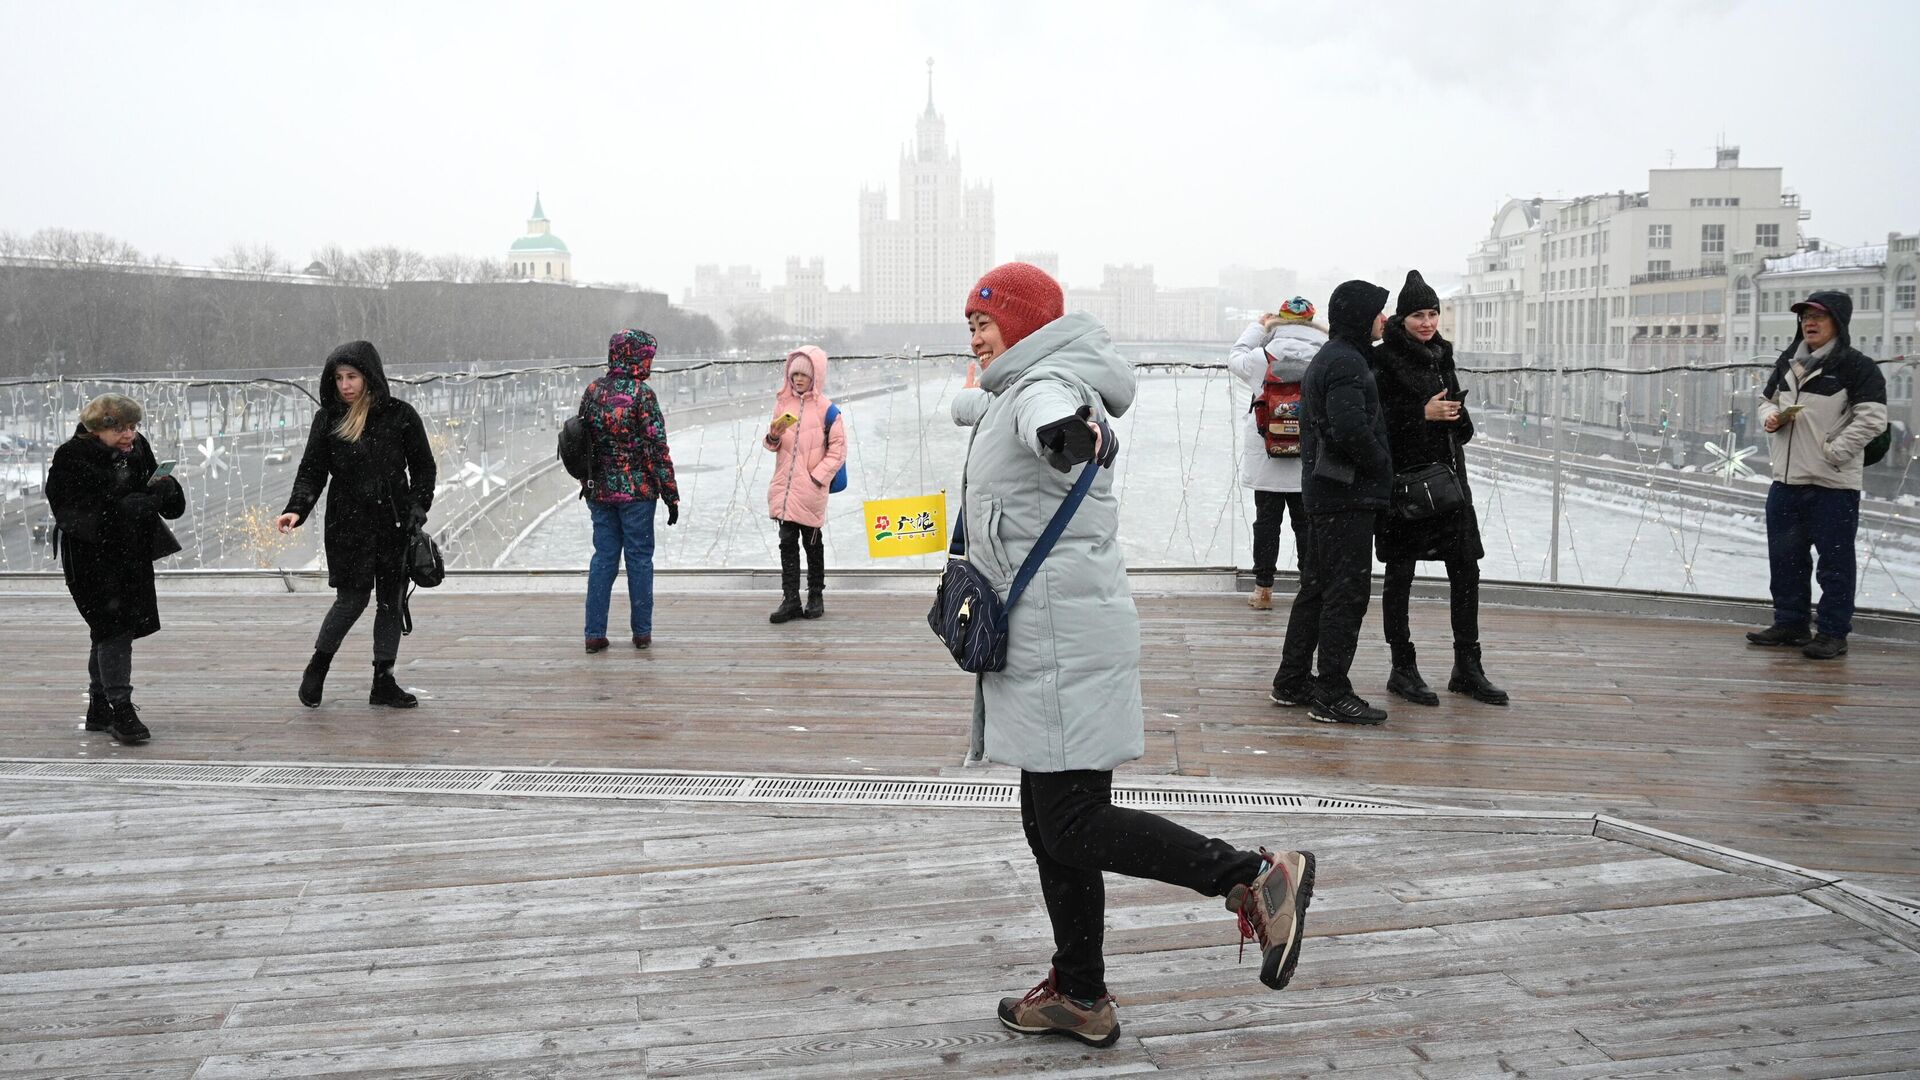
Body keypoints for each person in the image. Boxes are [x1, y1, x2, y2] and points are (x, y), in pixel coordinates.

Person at [953, 262, 1316, 1050]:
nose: (974, 335)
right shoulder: (1017, 385)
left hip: (1061, 639)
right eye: (970, 323)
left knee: (1072, 824)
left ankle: (1249, 876)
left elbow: (1052, 422)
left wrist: (1067, 437)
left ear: (1024, 324)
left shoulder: (1048, 389)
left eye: (984, 321)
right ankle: (1081, 993)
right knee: (1049, 825)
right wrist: (983, 395)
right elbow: (993, 406)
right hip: (1053, 637)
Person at [1371, 271, 1507, 706]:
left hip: (1449, 483)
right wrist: (1420, 414)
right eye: (1418, 315)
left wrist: (1456, 416)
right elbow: (1375, 426)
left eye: (1432, 314)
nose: (1427, 322)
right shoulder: (1382, 360)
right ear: (1401, 318)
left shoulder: (1440, 354)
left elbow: (1459, 431)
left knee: (1466, 569)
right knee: (1400, 574)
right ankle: (1402, 667)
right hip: (1407, 485)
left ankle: (1467, 666)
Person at [275, 341, 436, 707]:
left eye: (352, 376)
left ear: (369, 377)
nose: (345, 385)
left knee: (391, 603)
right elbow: (312, 472)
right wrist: (296, 509)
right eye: (339, 378)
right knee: (351, 601)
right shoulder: (329, 419)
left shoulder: (401, 415)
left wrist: (416, 509)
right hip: (348, 525)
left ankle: (383, 681)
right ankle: (317, 667)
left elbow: (424, 468)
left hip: (394, 523)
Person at [1271, 279, 1394, 725]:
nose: (1385, 319)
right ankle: (1331, 691)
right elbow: (1348, 430)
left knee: (1318, 588)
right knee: (1346, 593)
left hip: (1326, 493)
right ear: (1362, 317)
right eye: (1380, 311)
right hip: (1345, 495)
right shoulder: (1345, 362)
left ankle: (1292, 680)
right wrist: (1383, 465)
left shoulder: (1338, 355)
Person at [1747, 291, 1888, 659]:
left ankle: (1832, 632)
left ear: (1838, 323)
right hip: (1787, 481)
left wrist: (1834, 452)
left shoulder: (1857, 367)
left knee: (1834, 563)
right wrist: (1770, 418)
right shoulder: (1788, 362)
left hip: (1832, 486)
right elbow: (1765, 401)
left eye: (1818, 317)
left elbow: (1872, 419)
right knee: (1786, 558)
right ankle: (1790, 623)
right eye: (1805, 317)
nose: (1809, 323)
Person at [45, 393, 186, 745]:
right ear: (96, 430)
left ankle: (99, 707)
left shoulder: (137, 449)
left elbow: (165, 502)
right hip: (90, 558)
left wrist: (164, 490)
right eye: (120, 428)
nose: (130, 435)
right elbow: (70, 512)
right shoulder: (71, 458)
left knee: (108, 628)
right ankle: (121, 709)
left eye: (134, 426)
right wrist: (121, 510)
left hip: (130, 555)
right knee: (113, 627)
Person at [579, 329, 680, 652]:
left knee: (603, 559)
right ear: (636, 356)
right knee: (639, 560)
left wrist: (588, 481)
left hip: (600, 491)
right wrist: (670, 494)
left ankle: (594, 633)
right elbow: (656, 447)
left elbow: (581, 442)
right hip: (637, 493)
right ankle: (642, 633)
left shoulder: (593, 390)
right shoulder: (642, 395)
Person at [1227, 297, 1325, 609]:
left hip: (1267, 455)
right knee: (1306, 525)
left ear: (1278, 322)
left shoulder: (1261, 357)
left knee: (1266, 524)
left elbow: (1235, 357)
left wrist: (1259, 326)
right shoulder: (1325, 357)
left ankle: (1263, 590)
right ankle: (1309, 588)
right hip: (1307, 460)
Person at [762, 345, 846, 623]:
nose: (798, 380)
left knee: (812, 543)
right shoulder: (782, 405)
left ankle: (815, 595)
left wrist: (816, 477)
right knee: (787, 543)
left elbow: (837, 451)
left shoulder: (828, 411)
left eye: (804, 375)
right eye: (794, 374)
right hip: (784, 489)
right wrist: (773, 436)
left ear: (816, 376)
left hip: (810, 490)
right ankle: (790, 599)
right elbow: (773, 446)